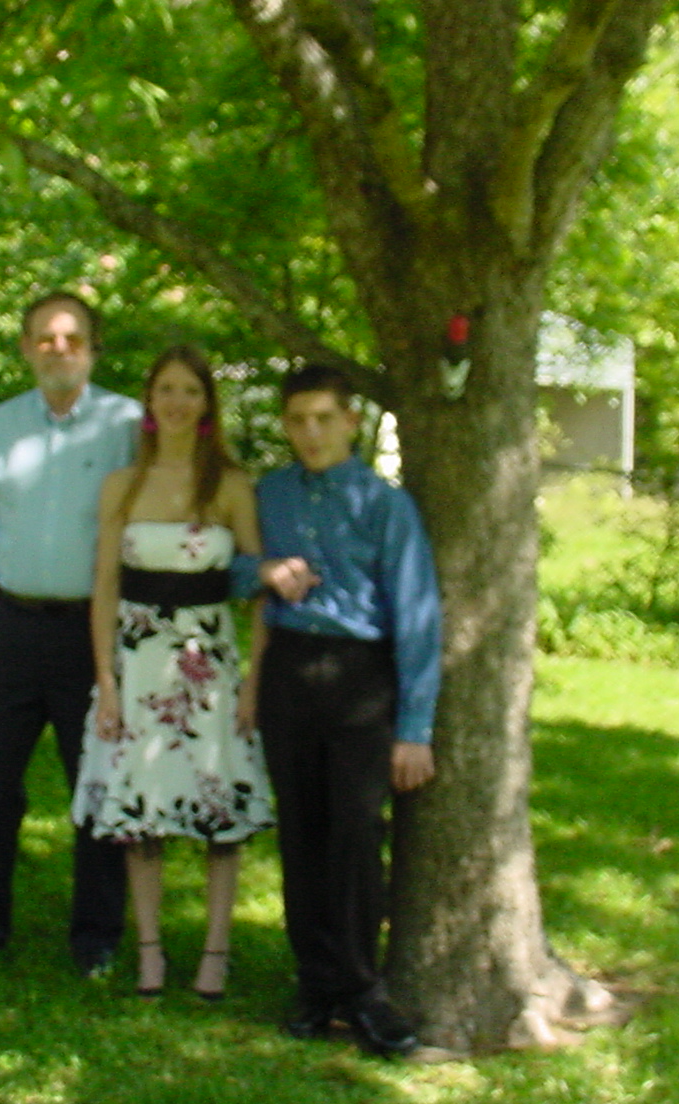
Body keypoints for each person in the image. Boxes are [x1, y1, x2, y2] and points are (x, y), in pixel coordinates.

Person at [0, 291, 140, 975]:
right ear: (25, 348)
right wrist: (17, 569)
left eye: (72, 338)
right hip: (14, 628)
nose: (58, 349)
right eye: (45, 338)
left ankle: (97, 937)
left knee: (95, 785)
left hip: (92, 633)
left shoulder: (127, 424)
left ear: (93, 348)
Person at [72, 345, 274, 1001]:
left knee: (220, 814)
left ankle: (216, 952)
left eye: (191, 390)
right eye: (166, 389)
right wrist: (106, 680)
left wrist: (254, 681)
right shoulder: (122, 485)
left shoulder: (232, 486)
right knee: (142, 814)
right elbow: (105, 586)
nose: (178, 402)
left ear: (207, 403)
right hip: (139, 667)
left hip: (209, 667)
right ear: (150, 402)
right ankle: (150, 951)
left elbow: (258, 588)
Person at [253, 363, 442, 1057]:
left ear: (351, 422)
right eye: (298, 420)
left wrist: (414, 728)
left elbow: (418, 616)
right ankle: (314, 984)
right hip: (288, 670)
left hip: (361, 677)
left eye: (324, 419)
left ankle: (363, 990)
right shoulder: (269, 494)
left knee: (356, 832)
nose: (311, 433)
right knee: (301, 830)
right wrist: (261, 571)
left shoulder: (386, 506)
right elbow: (224, 560)